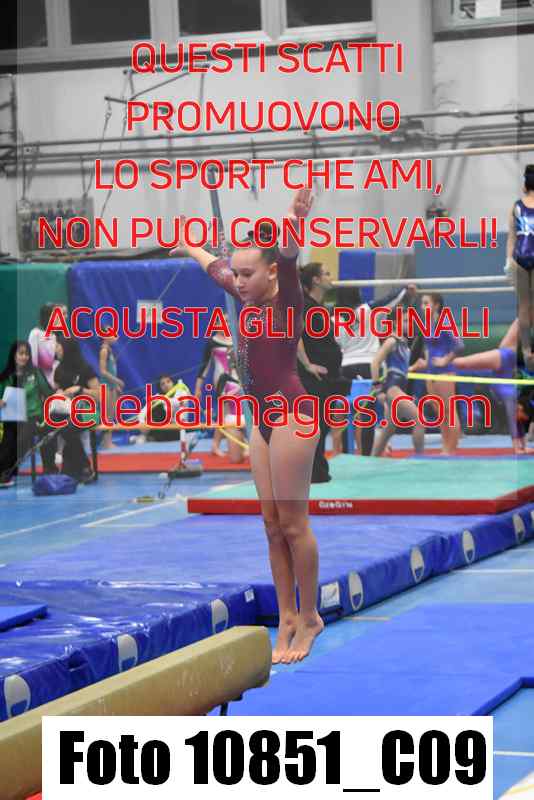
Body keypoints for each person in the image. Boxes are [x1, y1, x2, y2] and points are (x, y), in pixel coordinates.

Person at [170, 189, 324, 664]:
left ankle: (311, 615)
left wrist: (293, 219)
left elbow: (291, 255)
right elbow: (215, 267)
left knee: (294, 525)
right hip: (263, 420)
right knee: (272, 526)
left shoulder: (287, 299)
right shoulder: (244, 290)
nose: (237, 281)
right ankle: (287, 616)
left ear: (271, 272)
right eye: (236, 274)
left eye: (247, 274)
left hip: (293, 415)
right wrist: (189, 245)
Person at [333, 282, 416, 455]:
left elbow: (334, 346)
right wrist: (405, 288)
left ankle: (344, 454)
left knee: (346, 412)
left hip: (345, 368)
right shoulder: (367, 310)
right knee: (365, 415)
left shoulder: (334, 319)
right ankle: (365, 456)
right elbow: (391, 299)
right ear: (356, 294)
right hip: (366, 366)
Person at [297, 262, 349, 482]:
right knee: (315, 424)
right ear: (316, 280)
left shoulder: (319, 307)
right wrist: (307, 364)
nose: (331, 276)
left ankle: (316, 470)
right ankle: (312, 472)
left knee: (324, 424)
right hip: (312, 377)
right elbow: (295, 335)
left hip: (326, 376)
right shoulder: (305, 306)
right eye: (327, 273)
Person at [450, 319, 528, 453]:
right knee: (462, 363)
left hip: (506, 376)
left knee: (515, 411)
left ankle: (519, 445)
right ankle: (518, 445)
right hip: (505, 360)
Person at [411, 293, 464, 455]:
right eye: (422, 303)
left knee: (449, 411)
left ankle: (451, 448)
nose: (422, 307)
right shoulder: (428, 324)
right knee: (439, 411)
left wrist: (445, 360)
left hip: (444, 372)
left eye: (426, 303)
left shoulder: (445, 321)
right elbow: (429, 348)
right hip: (431, 372)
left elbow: (459, 345)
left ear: (436, 305)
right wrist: (425, 363)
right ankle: (445, 447)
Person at [0, 340, 56, 486]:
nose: (24, 357)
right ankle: (4, 472)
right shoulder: (5, 376)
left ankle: (7, 473)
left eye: (27, 354)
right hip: (11, 418)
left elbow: (49, 393)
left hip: (34, 418)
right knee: (7, 442)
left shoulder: (35, 373)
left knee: (22, 439)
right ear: (14, 355)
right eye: (21, 353)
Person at [371, 306, 425, 456]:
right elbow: (375, 363)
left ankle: (373, 459)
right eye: (405, 321)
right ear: (395, 323)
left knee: (389, 430)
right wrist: (377, 389)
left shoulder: (404, 344)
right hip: (393, 389)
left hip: (398, 388)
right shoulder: (391, 341)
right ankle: (421, 459)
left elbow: (402, 370)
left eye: (410, 321)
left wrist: (414, 367)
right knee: (420, 420)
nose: (409, 324)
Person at [53, 336, 100, 482]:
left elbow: (98, 395)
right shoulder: (58, 370)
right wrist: (59, 393)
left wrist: (80, 390)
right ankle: (72, 468)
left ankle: (84, 466)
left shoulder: (85, 368)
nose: (56, 349)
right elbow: (57, 390)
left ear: (67, 348)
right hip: (67, 411)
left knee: (67, 428)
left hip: (90, 413)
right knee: (56, 423)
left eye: (58, 346)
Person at [506, 165, 534, 370]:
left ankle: (526, 352)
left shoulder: (515, 206)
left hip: (520, 258)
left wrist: (508, 261)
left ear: (525, 184)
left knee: (524, 307)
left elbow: (512, 238)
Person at [195, 319, 234, 457]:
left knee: (236, 413)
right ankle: (215, 445)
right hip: (222, 381)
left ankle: (236, 443)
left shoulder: (235, 339)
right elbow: (204, 367)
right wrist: (198, 388)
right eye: (223, 321)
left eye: (228, 321)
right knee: (224, 413)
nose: (226, 324)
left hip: (236, 379)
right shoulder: (212, 342)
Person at [98, 330, 124, 449]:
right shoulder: (104, 351)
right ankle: (106, 442)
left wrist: (116, 385)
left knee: (111, 415)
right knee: (107, 415)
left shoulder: (109, 350)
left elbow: (111, 370)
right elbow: (102, 371)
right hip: (106, 386)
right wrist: (117, 381)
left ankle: (107, 441)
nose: (115, 336)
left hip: (112, 386)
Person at [28, 302, 60, 387]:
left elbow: (57, 361)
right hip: (43, 383)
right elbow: (33, 362)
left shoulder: (56, 336)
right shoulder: (35, 333)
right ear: (47, 317)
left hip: (59, 380)